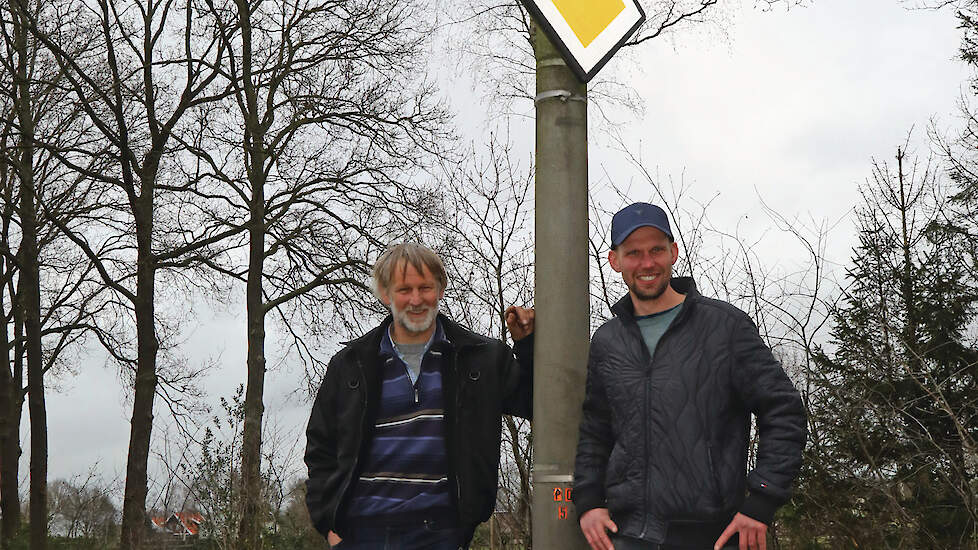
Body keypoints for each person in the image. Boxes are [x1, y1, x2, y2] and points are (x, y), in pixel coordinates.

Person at [574, 203, 806, 550]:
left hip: (712, 535)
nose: (647, 263)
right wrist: (589, 501)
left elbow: (783, 410)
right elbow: (595, 428)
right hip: (628, 535)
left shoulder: (724, 327)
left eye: (656, 250)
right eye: (633, 253)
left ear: (673, 253)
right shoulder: (608, 341)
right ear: (615, 261)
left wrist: (762, 499)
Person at [305, 242, 534, 550]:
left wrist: (528, 345)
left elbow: (539, 405)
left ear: (440, 289)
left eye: (425, 287)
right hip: (361, 533)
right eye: (404, 289)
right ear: (386, 295)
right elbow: (320, 449)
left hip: (442, 533)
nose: (416, 300)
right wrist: (329, 527)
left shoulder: (480, 359)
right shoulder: (350, 364)